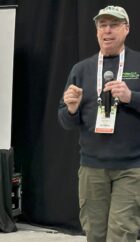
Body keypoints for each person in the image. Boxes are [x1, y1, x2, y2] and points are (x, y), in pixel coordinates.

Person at [58, 5, 140, 242]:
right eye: (102, 25)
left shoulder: (138, 63)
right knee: (94, 234)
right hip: (92, 168)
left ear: (126, 29)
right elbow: (64, 120)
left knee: (121, 234)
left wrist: (131, 97)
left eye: (114, 25)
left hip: (131, 168)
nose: (108, 31)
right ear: (96, 32)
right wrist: (71, 109)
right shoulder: (81, 69)